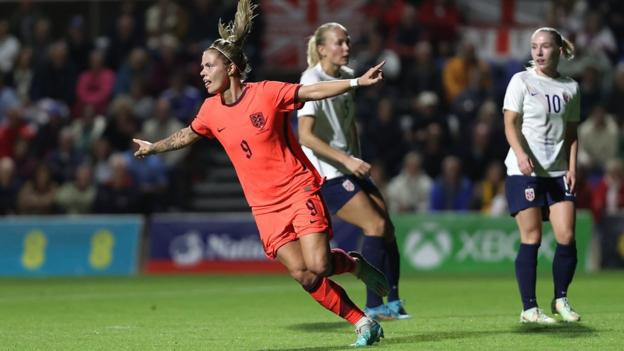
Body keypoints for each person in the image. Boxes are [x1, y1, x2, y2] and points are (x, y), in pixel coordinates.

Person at [133, 1, 388, 347]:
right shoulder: (209, 110)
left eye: (209, 66)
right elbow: (187, 134)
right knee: (304, 276)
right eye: (202, 67)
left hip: (298, 191)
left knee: (320, 265)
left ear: (232, 67)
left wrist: (356, 81)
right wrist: (154, 147)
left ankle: (355, 265)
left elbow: (311, 91)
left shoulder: (267, 93)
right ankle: (363, 323)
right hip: (265, 207)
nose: (202, 73)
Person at [297, 22, 410, 321]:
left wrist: (355, 159)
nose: (346, 48)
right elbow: (305, 135)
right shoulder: (311, 79)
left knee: (387, 228)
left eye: (347, 42)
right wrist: (346, 161)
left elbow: (347, 126)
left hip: (349, 168)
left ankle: (394, 300)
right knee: (374, 226)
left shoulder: (348, 78)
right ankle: (373, 305)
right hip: (328, 173)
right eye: (339, 43)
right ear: (322, 49)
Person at [503, 27, 581, 324]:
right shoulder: (521, 81)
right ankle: (529, 308)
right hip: (525, 171)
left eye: (545, 46)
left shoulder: (570, 87)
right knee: (532, 237)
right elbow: (510, 124)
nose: (538, 51)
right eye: (534, 46)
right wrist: (522, 155)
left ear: (559, 50)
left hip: (558, 171)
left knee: (567, 236)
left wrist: (572, 167)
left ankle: (560, 299)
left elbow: (572, 133)